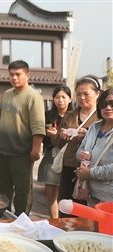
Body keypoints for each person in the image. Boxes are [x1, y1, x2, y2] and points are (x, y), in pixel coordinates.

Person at [0, 60, 45, 216]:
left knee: (23, 190)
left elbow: (38, 126)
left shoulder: (33, 97)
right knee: (3, 189)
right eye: (11, 74)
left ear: (27, 75)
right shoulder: (7, 94)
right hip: (4, 151)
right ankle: (5, 218)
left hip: (22, 152)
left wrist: (35, 150)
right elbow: (0, 117)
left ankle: (21, 220)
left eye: (18, 74)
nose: (14, 77)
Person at [51, 75, 100, 217]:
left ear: (97, 94)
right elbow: (58, 143)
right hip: (70, 165)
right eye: (78, 94)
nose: (82, 97)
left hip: (91, 168)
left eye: (86, 94)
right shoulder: (69, 115)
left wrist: (88, 136)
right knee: (66, 203)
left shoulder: (102, 116)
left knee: (87, 206)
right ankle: (64, 233)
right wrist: (61, 136)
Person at [38, 85, 72, 218]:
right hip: (51, 155)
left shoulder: (74, 116)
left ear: (70, 99)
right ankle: (54, 220)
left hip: (69, 157)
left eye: (64, 97)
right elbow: (43, 139)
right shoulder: (47, 116)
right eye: (57, 97)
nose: (60, 100)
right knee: (51, 191)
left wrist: (56, 135)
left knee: (67, 192)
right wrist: (49, 136)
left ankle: (66, 220)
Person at [76, 88, 113, 206]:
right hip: (90, 193)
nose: (108, 107)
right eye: (104, 104)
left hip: (109, 197)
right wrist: (80, 154)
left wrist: (91, 173)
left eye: (112, 104)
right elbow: (80, 150)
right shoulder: (94, 127)